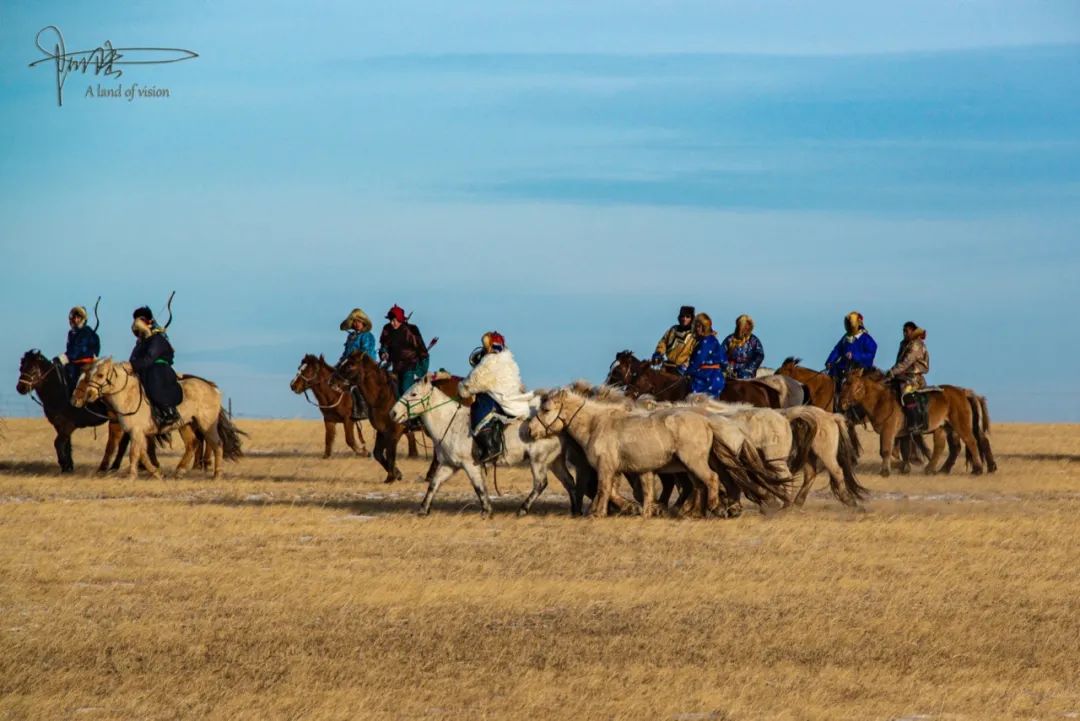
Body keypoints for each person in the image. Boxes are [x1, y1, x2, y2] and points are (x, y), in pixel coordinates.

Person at [458, 331, 533, 464]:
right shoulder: (507, 358)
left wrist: (463, 388)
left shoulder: (490, 361)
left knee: (478, 409)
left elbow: (475, 380)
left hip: (499, 397)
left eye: (486, 345)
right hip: (509, 394)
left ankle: (491, 448)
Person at [130, 306, 182, 427]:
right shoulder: (141, 342)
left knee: (154, 382)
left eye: (141, 320)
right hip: (144, 369)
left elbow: (149, 358)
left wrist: (133, 365)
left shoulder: (157, 338)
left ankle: (169, 411)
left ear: (149, 321)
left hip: (159, 369)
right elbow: (134, 358)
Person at [825, 311, 877, 412]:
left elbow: (871, 353)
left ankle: (849, 409)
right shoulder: (846, 337)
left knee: (849, 386)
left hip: (859, 369)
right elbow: (837, 350)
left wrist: (855, 356)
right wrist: (830, 361)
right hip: (843, 367)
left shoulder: (865, 338)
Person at [885, 321, 930, 432]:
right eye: (903, 331)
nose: (904, 333)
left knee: (906, 392)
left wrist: (892, 372)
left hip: (913, 377)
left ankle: (916, 421)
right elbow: (899, 362)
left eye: (907, 331)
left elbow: (906, 362)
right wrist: (891, 374)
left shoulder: (916, 344)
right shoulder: (904, 343)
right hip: (902, 375)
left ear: (913, 331)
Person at [378, 304, 429, 397]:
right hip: (394, 368)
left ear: (400, 319)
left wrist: (422, 370)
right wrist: (383, 353)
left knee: (406, 392)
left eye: (394, 320)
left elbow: (422, 351)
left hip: (410, 367)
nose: (392, 323)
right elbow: (384, 346)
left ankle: (410, 411)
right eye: (391, 320)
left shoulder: (411, 330)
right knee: (393, 393)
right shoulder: (387, 329)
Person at [338, 308, 377, 420]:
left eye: (358, 321)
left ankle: (362, 409)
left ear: (363, 322)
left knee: (357, 383)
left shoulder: (367, 336)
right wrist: (340, 363)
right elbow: (346, 353)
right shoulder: (351, 336)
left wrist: (353, 363)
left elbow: (365, 353)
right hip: (349, 366)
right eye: (354, 322)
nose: (356, 324)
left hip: (364, 367)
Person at [57, 306, 100, 398]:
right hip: (73, 364)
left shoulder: (86, 332)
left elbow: (77, 350)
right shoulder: (72, 333)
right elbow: (70, 350)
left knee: (78, 386)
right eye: (74, 317)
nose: (76, 320)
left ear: (83, 319)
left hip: (86, 365)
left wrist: (63, 358)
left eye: (78, 317)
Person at [682, 313, 727, 397]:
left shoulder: (705, 342)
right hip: (718, 377)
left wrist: (687, 372)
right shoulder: (714, 340)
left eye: (699, 326)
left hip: (705, 379)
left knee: (689, 399)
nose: (697, 329)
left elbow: (698, 361)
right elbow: (724, 361)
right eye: (697, 326)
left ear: (705, 327)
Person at [652, 305, 697, 371]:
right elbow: (663, 342)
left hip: (684, 370)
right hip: (667, 366)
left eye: (688, 317)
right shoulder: (673, 329)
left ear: (692, 319)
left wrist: (686, 364)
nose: (684, 319)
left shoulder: (694, 335)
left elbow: (695, 353)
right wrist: (658, 353)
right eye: (682, 316)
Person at [720, 314, 765, 379]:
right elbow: (721, 354)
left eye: (748, 326)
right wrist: (726, 366)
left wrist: (749, 368)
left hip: (746, 373)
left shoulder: (754, 340)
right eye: (744, 326)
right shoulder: (730, 339)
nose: (747, 328)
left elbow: (759, 355)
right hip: (729, 371)